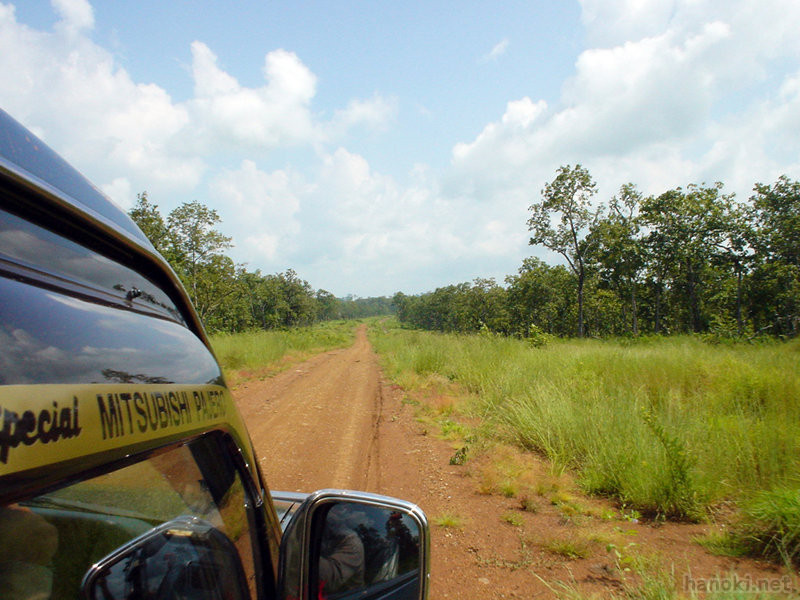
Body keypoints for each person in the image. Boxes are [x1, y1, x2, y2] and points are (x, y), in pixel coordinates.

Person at [318, 505, 365, 595]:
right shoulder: (322, 532)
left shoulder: (352, 543)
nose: (332, 513)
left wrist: (297, 549)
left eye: (340, 509)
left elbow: (330, 579)